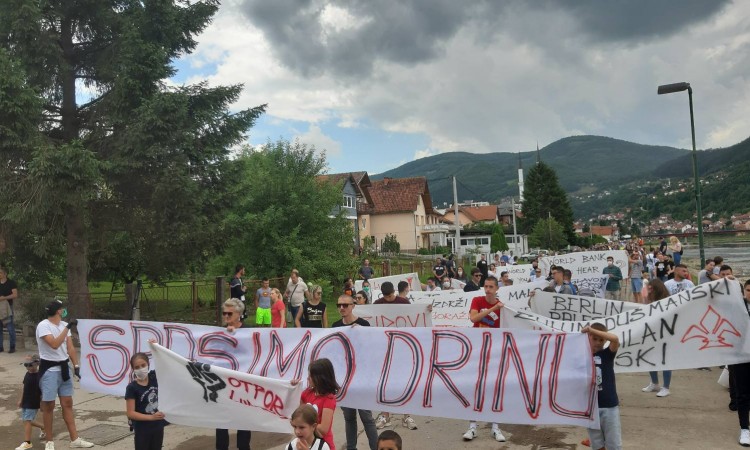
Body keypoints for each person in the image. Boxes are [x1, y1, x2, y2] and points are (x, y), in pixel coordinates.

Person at [36, 300, 94, 449]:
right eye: (62, 309)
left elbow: (70, 347)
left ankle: (74, 439)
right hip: (49, 370)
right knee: (48, 405)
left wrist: (76, 365)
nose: (64, 311)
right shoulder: (43, 326)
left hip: (64, 368)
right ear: (59, 311)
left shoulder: (63, 326)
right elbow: (54, 344)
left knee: (67, 403)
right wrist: (68, 326)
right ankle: (49, 441)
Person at [332, 295, 379, 450]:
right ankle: (351, 447)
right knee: (349, 417)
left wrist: (360, 334)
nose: (341, 308)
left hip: (361, 378)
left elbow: (373, 349)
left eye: (345, 305)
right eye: (339, 305)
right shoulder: (335, 325)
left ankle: (376, 447)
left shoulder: (364, 324)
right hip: (344, 379)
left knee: (366, 416)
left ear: (353, 306)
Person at [463, 275, 506, 442]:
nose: (487, 290)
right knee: (475, 387)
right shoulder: (477, 300)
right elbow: (474, 318)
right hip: (477, 349)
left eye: (490, 287)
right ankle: (472, 427)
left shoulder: (503, 306)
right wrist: (493, 309)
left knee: (494, 388)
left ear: (497, 289)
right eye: (486, 286)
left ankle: (496, 427)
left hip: (495, 351)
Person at [217, 298, 251, 450]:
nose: (225, 317)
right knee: (221, 424)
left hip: (243, 386)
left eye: (229, 314)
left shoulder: (250, 332)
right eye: (224, 313)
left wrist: (235, 336)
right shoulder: (218, 332)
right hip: (222, 384)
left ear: (238, 314)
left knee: (243, 423)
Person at [582, 322, 622, 450]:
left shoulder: (607, 354)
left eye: (601, 340)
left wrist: (591, 330)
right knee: (597, 444)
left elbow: (615, 339)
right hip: (590, 408)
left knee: (613, 444)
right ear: (588, 337)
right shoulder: (582, 355)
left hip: (609, 406)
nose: (598, 342)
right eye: (594, 339)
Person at [292, 358, 340, 450]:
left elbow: (323, 429)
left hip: (322, 444)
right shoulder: (307, 393)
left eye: (311, 376)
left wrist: (305, 424)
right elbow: (297, 415)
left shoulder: (329, 399)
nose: (307, 378)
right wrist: (293, 388)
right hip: (305, 442)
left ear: (320, 378)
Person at [125, 351, 166, 450]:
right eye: (137, 367)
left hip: (158, 427)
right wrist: (152, 417)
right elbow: (130, 413)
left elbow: (165, 363)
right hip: (142, 430)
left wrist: (155, 347)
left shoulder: (154, 377)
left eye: (143, 365)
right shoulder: (132, 388)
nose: (141, 369)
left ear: (148, 364)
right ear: (133, 369)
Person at [641, 278, 673, 398]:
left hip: (664, 334)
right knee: (650, 357)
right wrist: (645, 298)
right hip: (651, 333)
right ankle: (654, 383)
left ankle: (666, 387)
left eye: (650, 289)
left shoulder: (668, 301)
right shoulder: (649, 299)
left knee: (665, 360)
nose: (649, 291)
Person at [733, 280, 750, 447]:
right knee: (743, 394)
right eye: (749, 290)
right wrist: (728, 283)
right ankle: (745, 428)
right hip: (740, 357)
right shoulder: (736, 307)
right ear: (744, 291)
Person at [15, 353, 44, 450]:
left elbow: (42, 392)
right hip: (26, 400)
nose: (27, 367)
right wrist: (21, 399)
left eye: (30, 365)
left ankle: (27, 442)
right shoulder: (27, 374)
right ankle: (44, 427)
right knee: (26, 420)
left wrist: (41, 403)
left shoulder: (39, 376)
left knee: (27, 420)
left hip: (33, 402)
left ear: (37, 363)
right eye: (25, 365)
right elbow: (24, 387)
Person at [0, 265, 19, 353]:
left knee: (10, 327)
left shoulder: (11, 283)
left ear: (5, 274)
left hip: (8, 307)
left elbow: (15, 295)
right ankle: (0, 347)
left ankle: (12, 346)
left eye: (0, 273)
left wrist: (4, 298)